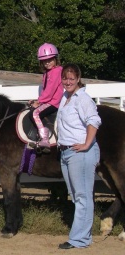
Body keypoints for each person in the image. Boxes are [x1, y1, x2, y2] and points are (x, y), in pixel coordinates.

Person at [57, 64, 101, 249]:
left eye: (71, 78)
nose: (68, 82)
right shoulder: (66, 97)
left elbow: (94, 120)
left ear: (78, 79)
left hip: (80, 153)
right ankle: (83, 235)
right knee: (76, 195)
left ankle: (80, 239)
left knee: (82, 196)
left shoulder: (82, 98)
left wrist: (86, 144)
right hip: (67, 151)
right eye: (65, 78)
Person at [28, 43, 63, 153]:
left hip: (54, 102)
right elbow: (45, 90)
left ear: (55, 59)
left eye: (50, 60)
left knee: (35, 113)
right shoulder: (47, 73)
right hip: (49, 100)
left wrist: (39, 101)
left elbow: (50, 91)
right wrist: (37, 100)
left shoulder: (56, 71)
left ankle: (45, 139)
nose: (47, 63)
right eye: (45, 61)